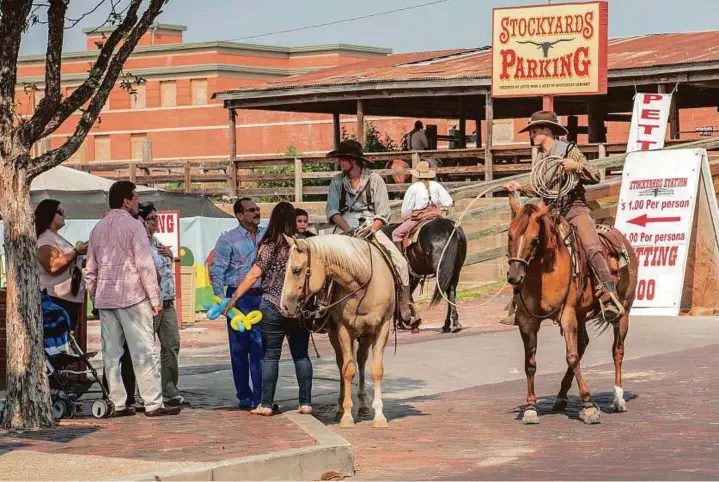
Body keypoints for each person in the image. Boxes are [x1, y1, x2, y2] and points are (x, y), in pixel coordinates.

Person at [504, 110, 623, 323]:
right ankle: (520, 300)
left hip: (573, 207)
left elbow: (594, 175)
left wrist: (576, 166)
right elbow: (541, 186)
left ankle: (607, 294)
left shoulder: (569, 150)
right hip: (549, 210)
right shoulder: (541, 157)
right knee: (524, 242)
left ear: (547, 130)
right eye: (531, 130)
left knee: (592, 245)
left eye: (535, 130)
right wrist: (520, 187)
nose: (531, 134)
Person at [85, 181, 181, 417]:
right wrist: (155, 299)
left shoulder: (97, 228)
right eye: (136, 198)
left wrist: (95, 297)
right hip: (133, 297)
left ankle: (117, 403)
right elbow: (145, 266)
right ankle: (153, 403)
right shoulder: (134, 226)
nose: (138, 202)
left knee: (112, 354)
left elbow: (91, 270)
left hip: (106, 299)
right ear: (126, 201)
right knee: (143, 351)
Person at [224, 202, 312, 417]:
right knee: (301, 355)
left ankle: (265, 404)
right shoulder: (303, 246)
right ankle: (305, 403)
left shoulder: (269, 245)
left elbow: (254, 275)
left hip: (271, 305)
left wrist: (234, 297)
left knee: (271, 356)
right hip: (298, 307)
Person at [325, 139, 413, 324]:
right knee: (321, 258)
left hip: (370, 225)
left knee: (401, 263)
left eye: (342, 159)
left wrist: (370, 230)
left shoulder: (375, 180)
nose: (339, 163)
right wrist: (348, 229)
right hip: (344, 225)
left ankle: (404, 304)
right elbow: (332, 211)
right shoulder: (337, 181)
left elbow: (383, 213)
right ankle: (321, 306)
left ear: (353, 161)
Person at [209, 197, 265, 409]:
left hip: (262, 297)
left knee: (261, 348)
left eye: (257, 209)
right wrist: (223, 302)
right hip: (237, 299)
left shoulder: (267, 235)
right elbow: (217, 270)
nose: (256, 212)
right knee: (240, 349)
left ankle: (261, 398)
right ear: (240, 215)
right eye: (251, 210)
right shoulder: (228, 239)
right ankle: (244, 397)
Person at [138, 202, 190, 408]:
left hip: (167, 301)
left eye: (156, 219)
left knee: (171, 344)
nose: (155, 223)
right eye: (150, 219)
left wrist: (169, 256)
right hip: (150, 302)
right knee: (145, 347)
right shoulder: (139, 243)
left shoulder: (156, 242)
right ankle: (144, 391)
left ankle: (169, 387)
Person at [35, 199, 87, 331]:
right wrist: (76, 252)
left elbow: (67, 263)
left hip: (66, 299)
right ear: (49, 214)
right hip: (56, 299)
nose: (65, 215)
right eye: (61, 212)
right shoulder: (46, 238)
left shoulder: (55, 237)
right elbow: (52, 265)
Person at [391, 161, 453, 249]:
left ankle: (401, 259)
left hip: (420, 216)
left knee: (396, 234)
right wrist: (441, 208)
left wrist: (405, 216)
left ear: (417, 175)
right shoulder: (436, 185)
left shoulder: (414, 188)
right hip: (435, 214)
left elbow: (406, 209)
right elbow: (449, 202)